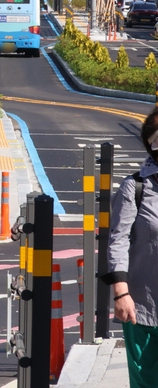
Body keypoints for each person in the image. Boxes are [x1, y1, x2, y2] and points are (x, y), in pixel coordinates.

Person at [104, 110, 158, 387]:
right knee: (147, 381)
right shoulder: (135, 188)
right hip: (145, 306)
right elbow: (118, 241)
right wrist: (121, 293)